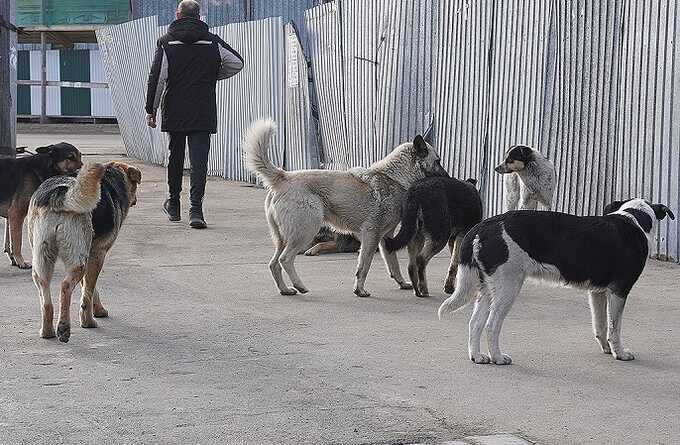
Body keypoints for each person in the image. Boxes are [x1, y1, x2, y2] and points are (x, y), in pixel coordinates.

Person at [145, 0, 243, 229]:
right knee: (199, 161)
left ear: (178, 15)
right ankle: (196, 210)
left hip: (175, 108)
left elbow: (158, 77)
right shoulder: (212, 41)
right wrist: (211, 75)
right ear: (199, 17)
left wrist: (151, 109)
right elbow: (236, 63)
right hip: (202, 107)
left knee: (175, 157)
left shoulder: (167, 42)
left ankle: (174, 206)